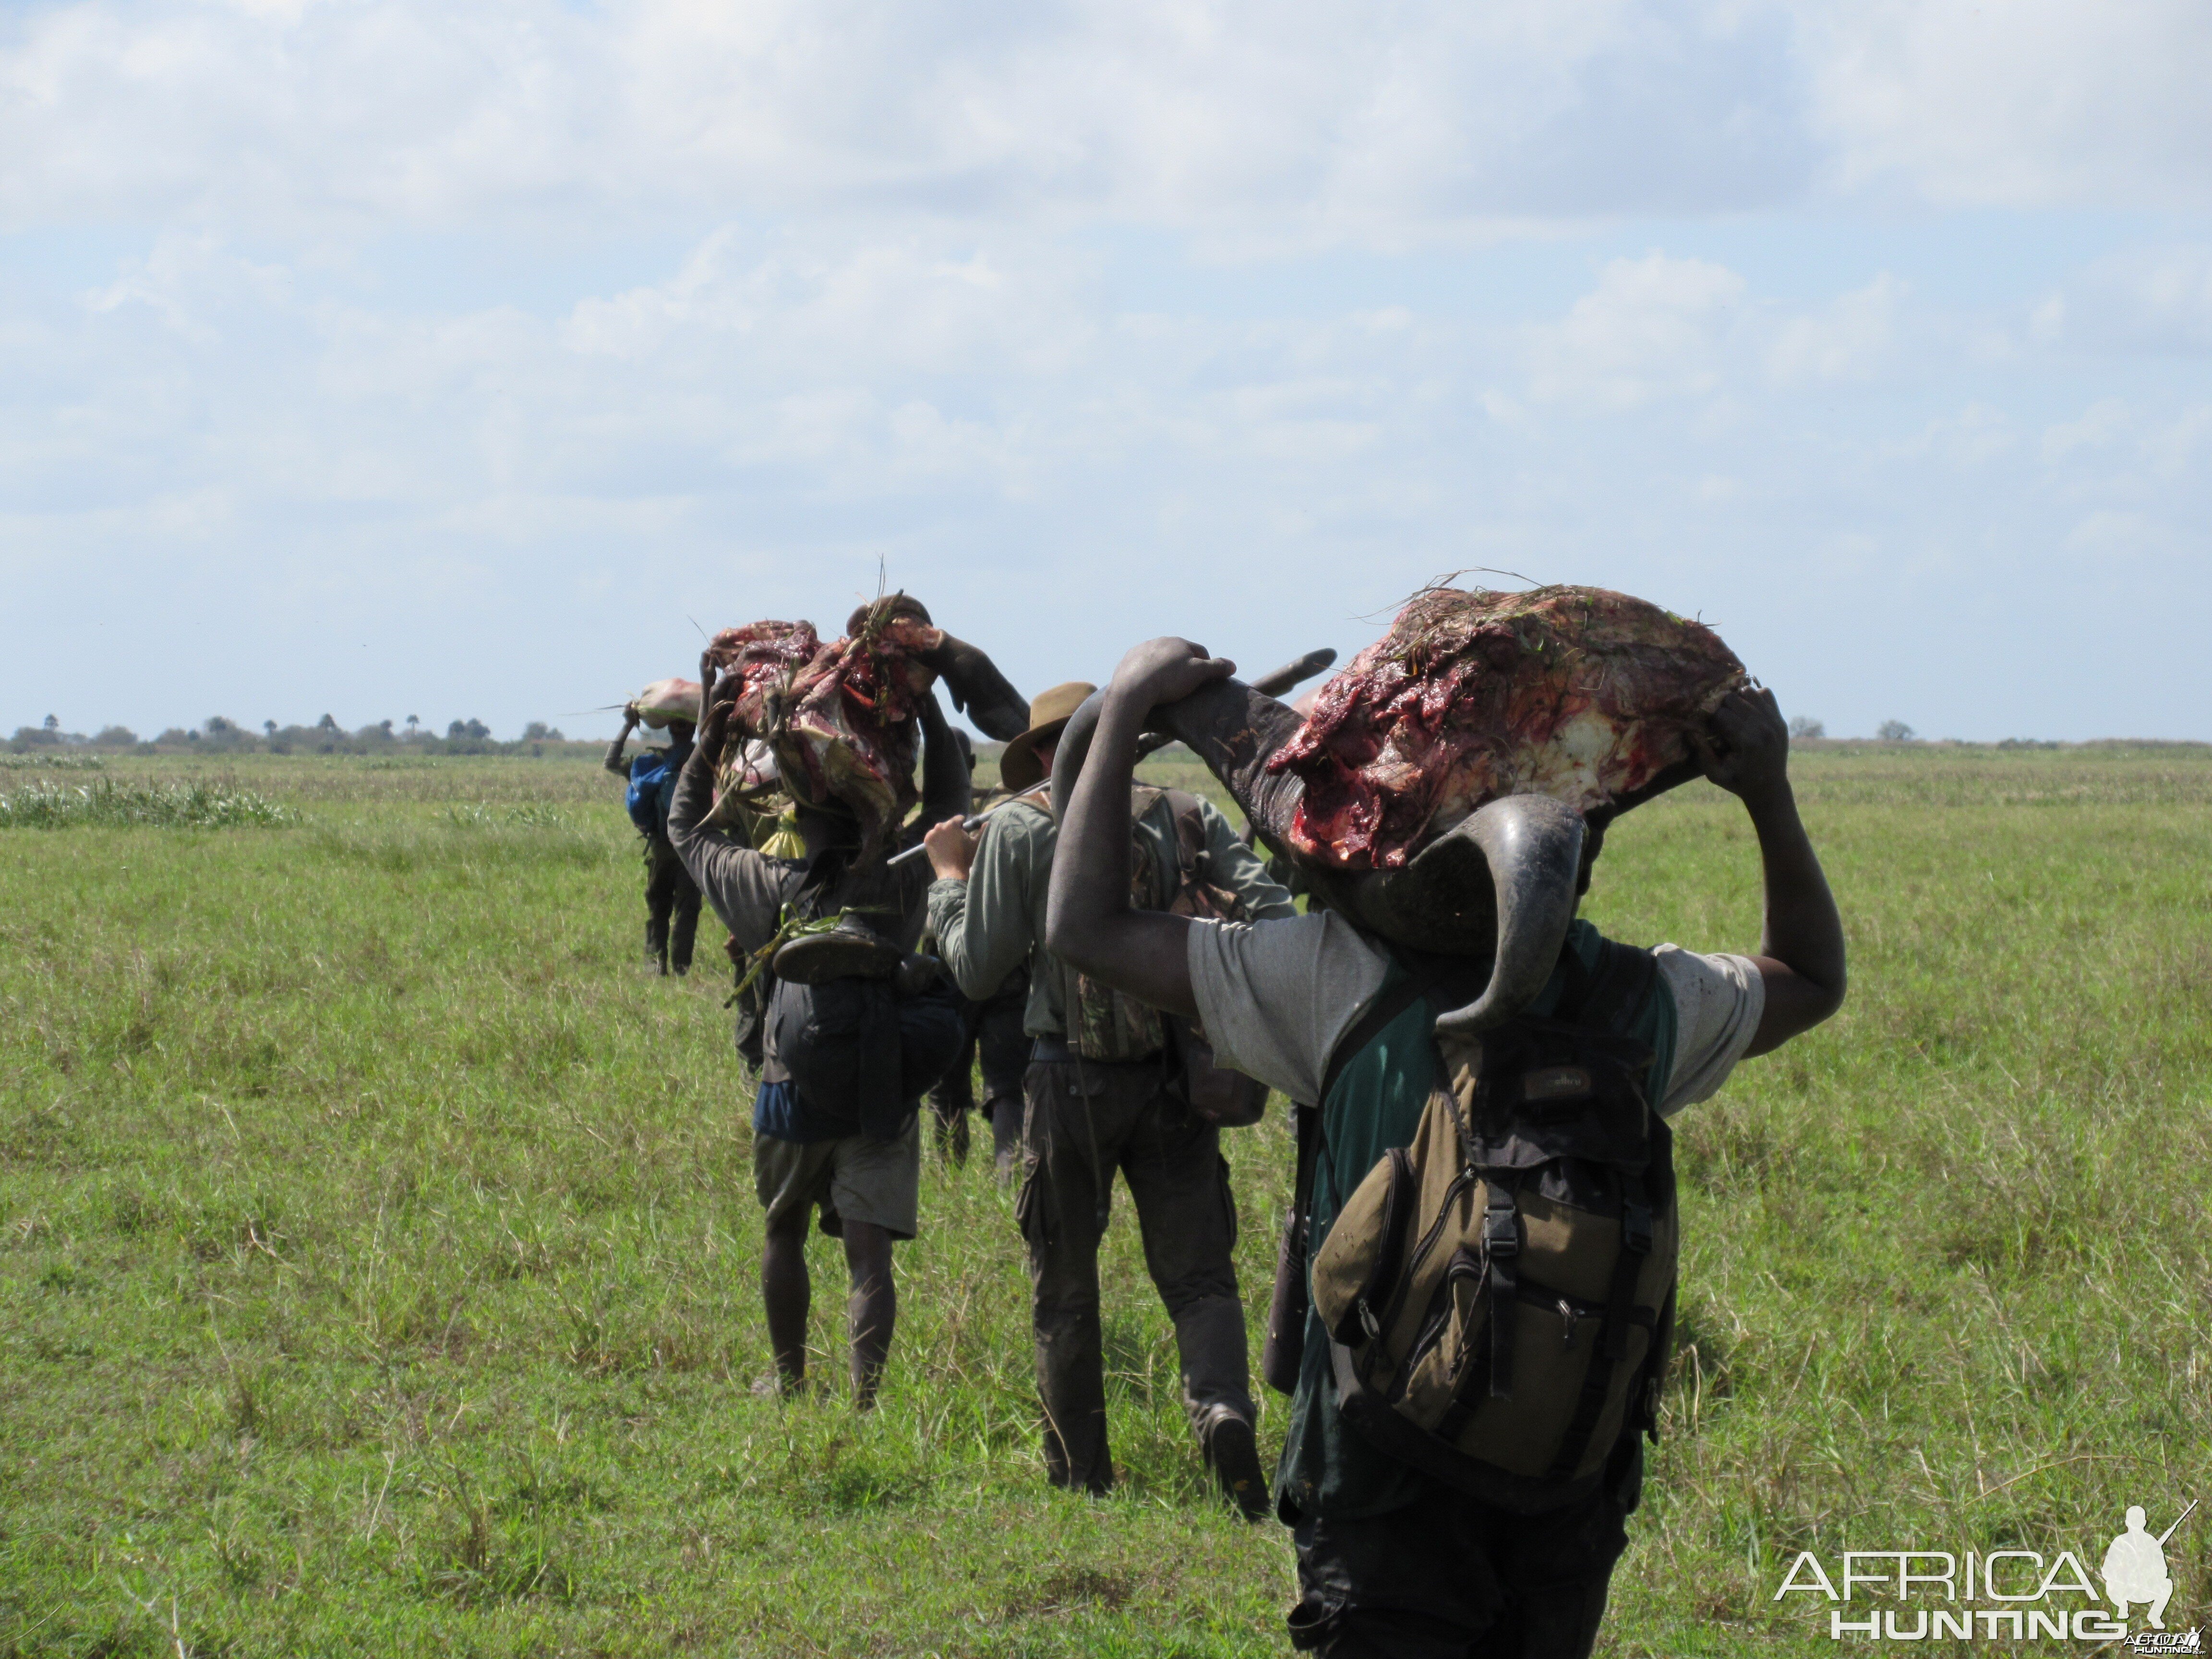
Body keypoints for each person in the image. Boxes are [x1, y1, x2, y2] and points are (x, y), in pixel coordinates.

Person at [1046, 638, 1846, 1656]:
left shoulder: (1330, 980)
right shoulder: (1642, 1001)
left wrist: (1124, 705)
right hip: (1569, 1484)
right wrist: (1767, 794)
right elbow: (1811, 978)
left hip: (1375, 1489)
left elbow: (1085, 930)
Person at [921, 680, 1298, 1517]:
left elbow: (975, 969)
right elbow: (1272, 917)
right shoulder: (1188, 815)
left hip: (1066, 1079)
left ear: (1048, 755)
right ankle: (1222, 1414)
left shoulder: (1020, 827)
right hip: (1179, 1077)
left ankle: (1081, 1478)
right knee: (1201, 1279)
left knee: (1064, 1285)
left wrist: (949, 878)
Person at [668, 653, 971, 1407]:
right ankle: (866, 1403)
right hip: (881, 1087)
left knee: (784, 1232)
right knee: (871, 1262)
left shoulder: (770, 884)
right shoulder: (905, 877)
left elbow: (686, 828)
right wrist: (928, 709)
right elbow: (953, 806)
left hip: (789, 1085)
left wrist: (710, 733)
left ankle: (791, 1380)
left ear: (796, 816)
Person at [604, 705, 703, 976]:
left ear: (669, 728)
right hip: (693, 849)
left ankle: (654, 965)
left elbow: (611, 762)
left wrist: (627, 726)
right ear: (695, 727)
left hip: (660, 848)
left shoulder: (653, 765)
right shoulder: (706, 759)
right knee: (688, 909)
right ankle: (681, 967)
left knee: (658, 908)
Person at [2103, 1506, 2176, 1628]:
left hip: (2146, 1589)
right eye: (2133, 1521)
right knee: (2110, 1584)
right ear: (2127, 1523)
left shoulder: (2151, 1542)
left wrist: (2148, 1572)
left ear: (2144, 1523)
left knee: (2167, 1584)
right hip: (2125, 1590)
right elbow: (2107, 1571)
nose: (2136, 1524)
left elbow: (2163, 1571)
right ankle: (2122, 1606)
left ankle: (2155, 1615)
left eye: (2138, 1521)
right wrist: (2125, 1572)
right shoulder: (2120, 1542)